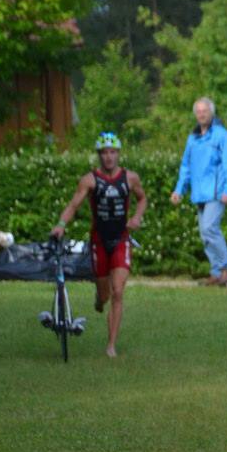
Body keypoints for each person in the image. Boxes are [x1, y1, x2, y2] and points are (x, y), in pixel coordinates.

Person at [51, 132, 147, 357]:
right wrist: (61, 224)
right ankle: (99, 298)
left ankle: (111, 345)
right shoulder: (90, 180)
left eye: (112, 152)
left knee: (118, 291)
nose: (109, 157)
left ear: (119, 154)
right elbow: (74, 205)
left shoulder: (130, 178)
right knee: (104, 294)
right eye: (104, 153)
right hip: (99, 242)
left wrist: (137, 217)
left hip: (121, 239)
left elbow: (142, 198)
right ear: (99, 155)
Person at [170, 97, 227, 286]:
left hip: (216, 193)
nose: (201, 114)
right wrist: (179, 190)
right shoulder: (193, 139)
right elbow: (186, 166)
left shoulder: (222, 136)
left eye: (205, 111)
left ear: (212, 113)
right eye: (199, 111)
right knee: (204, 234)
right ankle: (217, 273)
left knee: (210, 228)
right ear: (195, 114)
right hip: (199, 194)